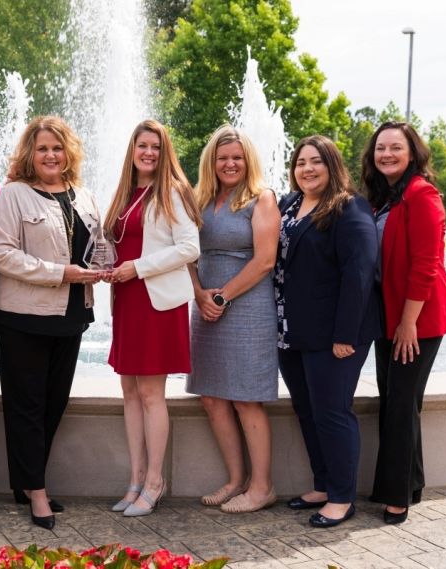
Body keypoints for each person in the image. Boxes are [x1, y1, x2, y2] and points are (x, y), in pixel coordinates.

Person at [0, 116, 103, 530]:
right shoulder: (14, 195)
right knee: (27, 406)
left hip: (72, 315)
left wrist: (101, 269)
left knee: (53, 404)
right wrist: (60, 272)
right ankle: (36, 491)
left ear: (68, 152)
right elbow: (0, 254)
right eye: (42, 149)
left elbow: (96, 246)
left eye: (57, 148)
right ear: (30, 155)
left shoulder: (84, 195)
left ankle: (26, 480)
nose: (51, 155)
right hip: (24, 316)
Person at [275, 135, 380, 528]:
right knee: (307, 410)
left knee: (332, 413)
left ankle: (341, 497)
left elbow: (359, 272)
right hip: (292, 330)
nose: (307, 169)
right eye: (301, 162)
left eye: (316, 161)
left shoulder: (349, 207)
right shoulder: (289, 204)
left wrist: (345, 336)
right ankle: (322, 484)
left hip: (334, 334)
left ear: (332, 165)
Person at [104, 119, 201, 517]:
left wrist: (138, 268)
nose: (148, 153)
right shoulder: (126, 193)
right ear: (133, 150)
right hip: (127, 298)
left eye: (156, 147)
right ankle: (135, 479)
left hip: (156, 301)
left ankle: (156, 482)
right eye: (142, 146)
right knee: (129, 393)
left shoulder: (172, 191)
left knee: (149, 394)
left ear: (165, 153)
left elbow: (190, 247)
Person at [362, 122, 446, 525]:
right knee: (399, 401)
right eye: (380, 148)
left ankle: (396, 496)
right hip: (393, 317)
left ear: (412, 153)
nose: (386, 154)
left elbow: (426, 266)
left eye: (395, 148)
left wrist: (407, 323)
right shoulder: (385, 198)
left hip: (417, 320)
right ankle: (410, 485)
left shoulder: (422, 195)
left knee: (399, 405)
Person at [186, 125, 280, 514]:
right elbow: (187, 253)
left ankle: (262, 487)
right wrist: (198, 293)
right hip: (206, 306)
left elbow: (265, 261)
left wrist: (222, 296)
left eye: (237, 157)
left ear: (248, 161)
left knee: (245, 398)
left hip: (247, 309)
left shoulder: (261, 199)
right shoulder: (200, 199)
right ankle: (234, 479)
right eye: (223, 157)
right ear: (212, 161)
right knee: (211, 397)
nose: (230, 163)